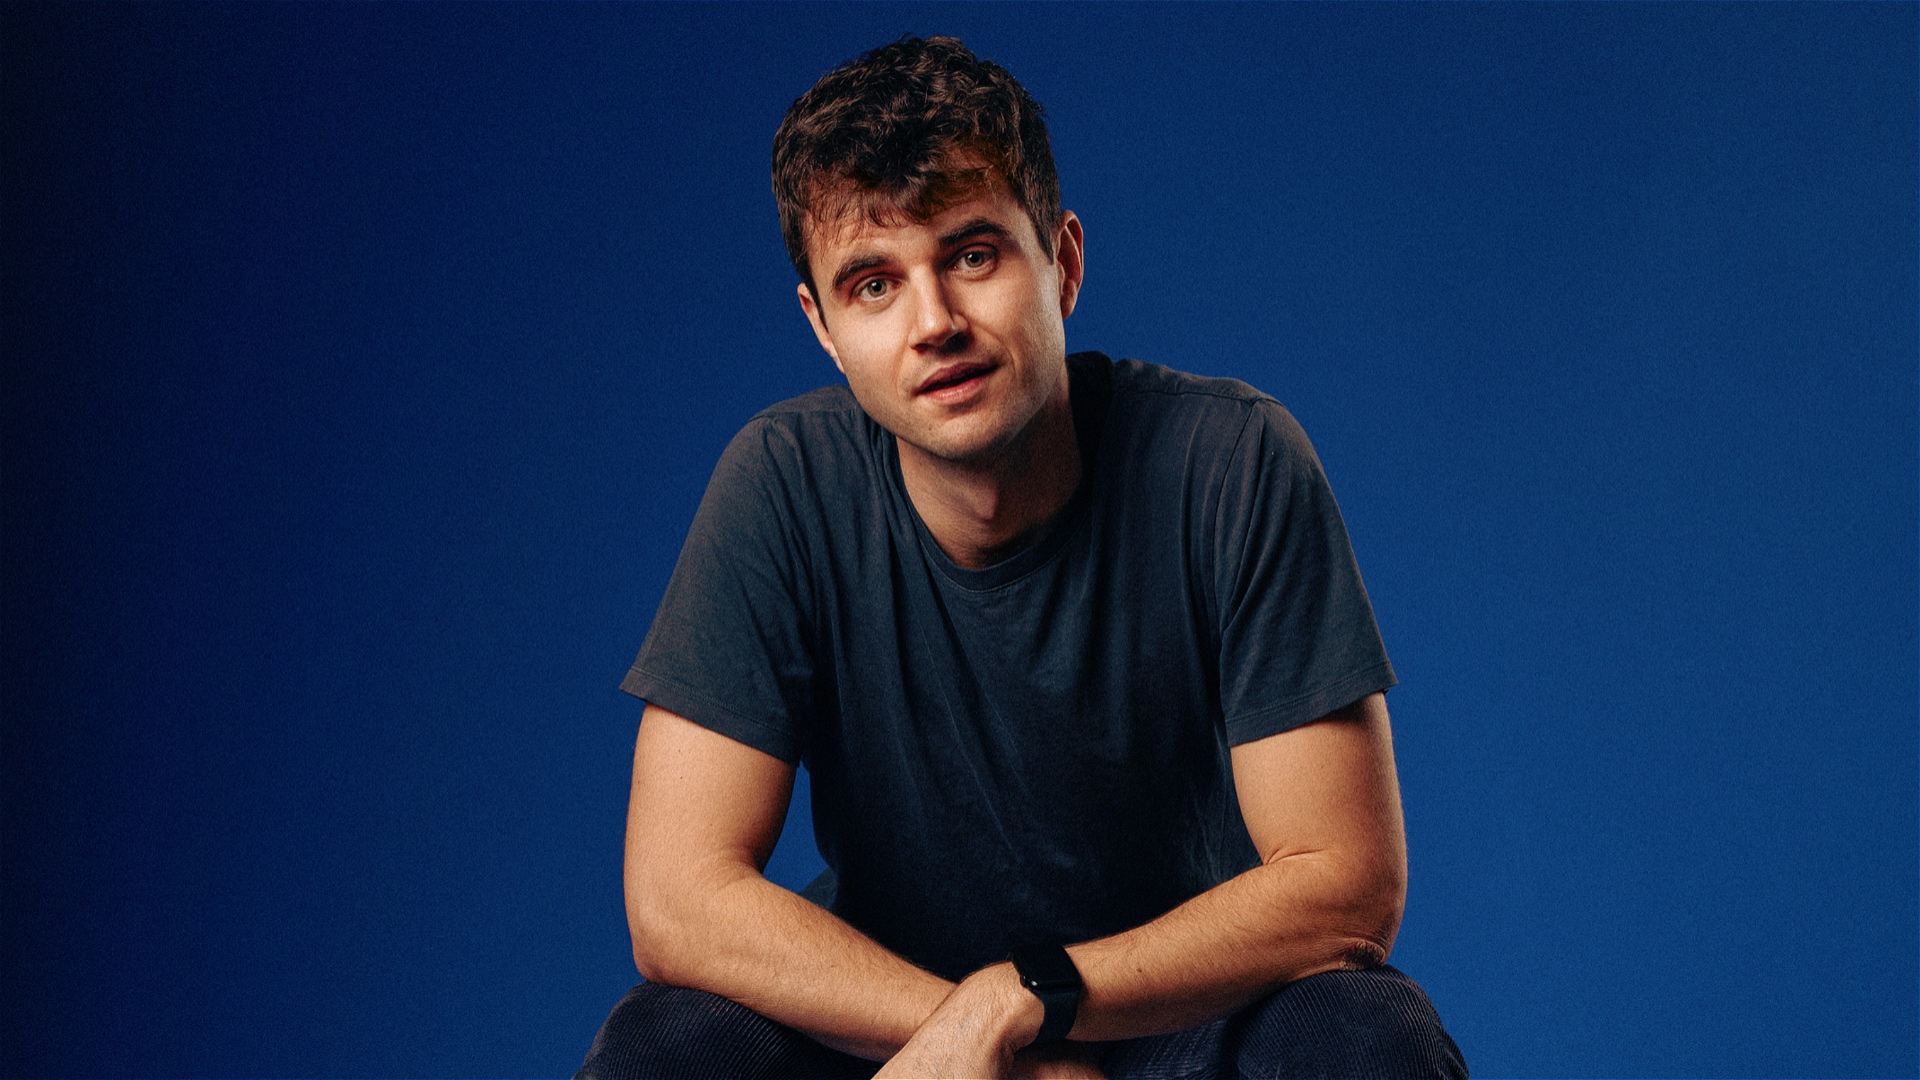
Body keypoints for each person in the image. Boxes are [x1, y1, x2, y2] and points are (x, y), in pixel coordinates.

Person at [579, 35, 1467, 1080]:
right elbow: (676, 897)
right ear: (822, 326)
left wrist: (1028, 999)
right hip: (891, 1025)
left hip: (1178, 1015)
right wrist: (976, 1036)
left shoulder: (1230, 461)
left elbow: (1345, 886)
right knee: (666, 1049)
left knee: (1361, 1037)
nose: (934, 323)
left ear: (1064, 262)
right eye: (874, 284)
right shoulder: (782, 484)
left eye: (972, 255)